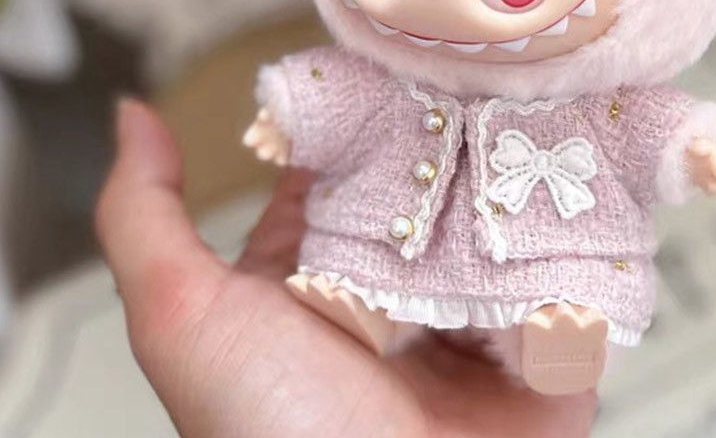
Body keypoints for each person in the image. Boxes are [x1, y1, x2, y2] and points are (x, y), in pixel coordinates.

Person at [96, 99, 596, 438]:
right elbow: (329, 93)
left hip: (507, 246)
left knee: (531, 286)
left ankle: (546, 342)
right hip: (411, 237)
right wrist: (289, 115)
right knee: (379, 259)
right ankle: (364, 309)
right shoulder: (391, 84)